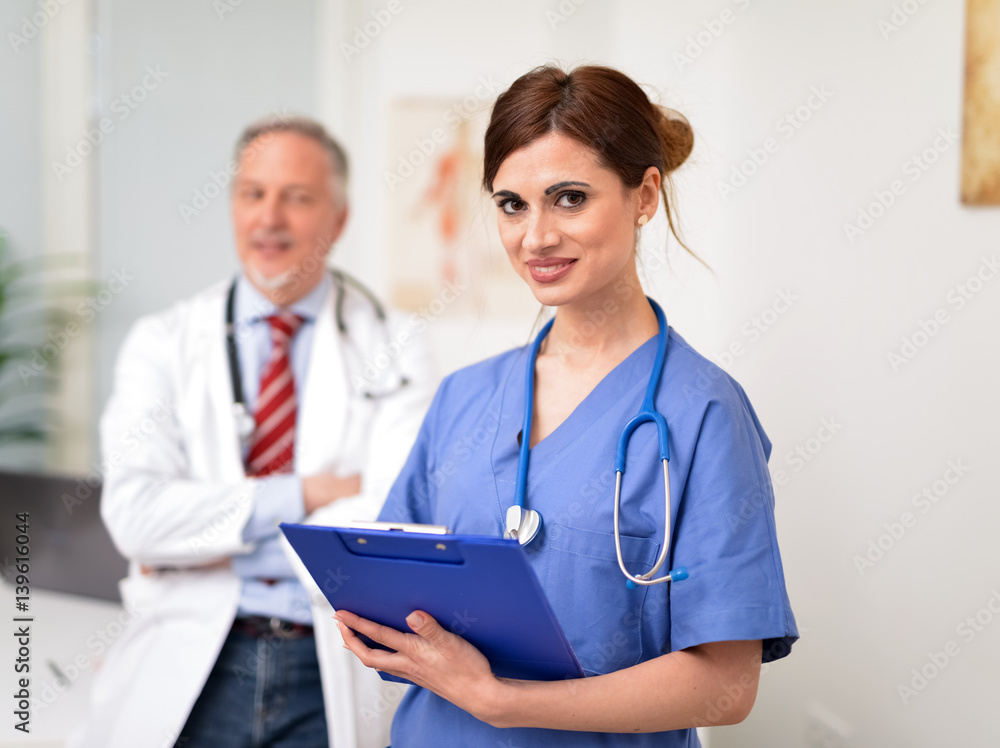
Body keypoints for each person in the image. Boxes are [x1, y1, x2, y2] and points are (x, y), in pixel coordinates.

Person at [335, 65, 799, 746]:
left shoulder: (704, 413)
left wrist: (504, 701)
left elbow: (727, 685)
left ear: (644, 195)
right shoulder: (464, 398)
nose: (535, 237)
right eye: (512, 204)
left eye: (570, 198)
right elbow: (390, 599)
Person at [71, 116, 435, 748]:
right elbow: (135, 519)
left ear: (339, 218)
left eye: (297, 197)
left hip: (330, 659)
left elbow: (387, 527)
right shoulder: (162, 342)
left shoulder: (400, 342)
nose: (270, 218)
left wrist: (201, 546)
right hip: (193, 659)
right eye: (253, 194)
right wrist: (310, 494)